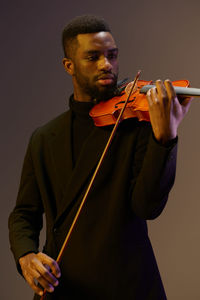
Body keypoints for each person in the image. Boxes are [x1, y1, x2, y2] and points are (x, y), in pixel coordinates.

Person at [8, 15, 192, 300]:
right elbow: (23, 213)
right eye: (93, 57)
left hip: (127, 285)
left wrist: (165, 137)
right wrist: (26, 256)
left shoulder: (137, 124)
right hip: (62, 286)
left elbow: (148, 207)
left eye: (112, 56)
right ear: (69, 66)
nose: (107, 65)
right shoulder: (44, 137)